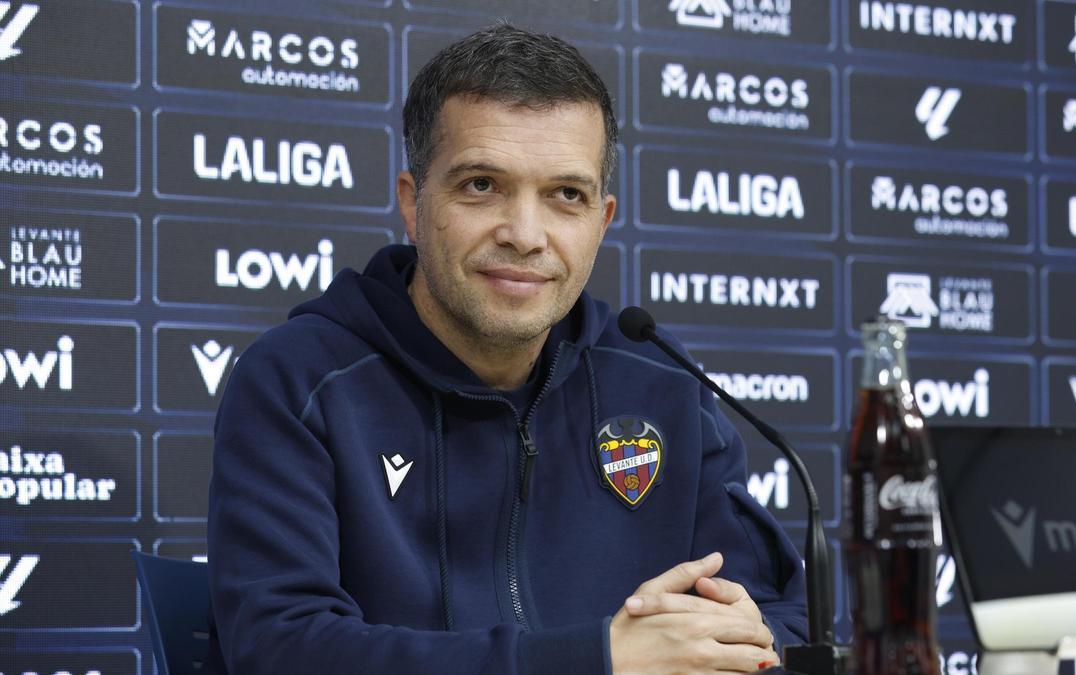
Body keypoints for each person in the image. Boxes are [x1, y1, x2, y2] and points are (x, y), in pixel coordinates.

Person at [207, 23, 808, 674]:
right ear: (413, 203)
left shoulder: (662, 385)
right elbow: (281, 650)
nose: (526, 234)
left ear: (601, 222)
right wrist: (593, 660)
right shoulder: (301, 382)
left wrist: (757, 640)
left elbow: (786, 618)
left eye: (565, 196)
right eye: (482, 185)